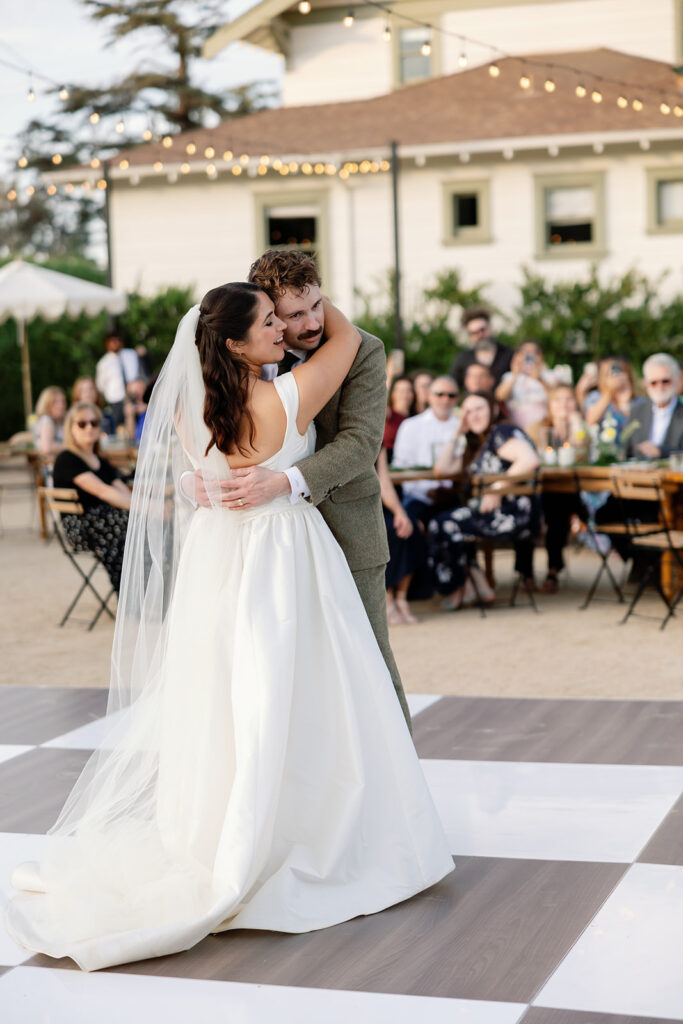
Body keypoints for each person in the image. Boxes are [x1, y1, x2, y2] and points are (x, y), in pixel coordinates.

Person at [6, 283, 453, 972]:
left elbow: (191, 475)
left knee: (227, 691)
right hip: (280, 550)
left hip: (219, 554)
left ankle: (224, 825)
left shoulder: (191, 402)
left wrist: (195, 484)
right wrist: (317, 296)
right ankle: (303, 828)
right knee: (299, 686)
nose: (286, 327)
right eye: (271, 320)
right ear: (236, 344)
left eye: (288, 316)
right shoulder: (285, 395)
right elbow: (350, 340)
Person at [199, 250, 411, 730]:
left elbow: (361, 444)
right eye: (292, 314)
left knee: (369, 664)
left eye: (318, 304)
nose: (312, 321)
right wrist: (198, 479)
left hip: (347, 532)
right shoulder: (235, 363)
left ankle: (400, 793)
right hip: (263, 550)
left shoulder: (363, 350)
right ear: (267, 314)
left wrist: (284, 482)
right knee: (280, 674)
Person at [428, 392, 540, 609]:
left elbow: (529, 459)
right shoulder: (478, 444)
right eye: (468, 411)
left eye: (479, 408)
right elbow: (441, 470)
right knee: (448, 521)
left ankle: (461, 588)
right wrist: (457, 433)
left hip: (513, 512)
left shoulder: (502, 431)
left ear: (494, 410)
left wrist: (496, 490)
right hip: (492, 511)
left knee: (443, 523)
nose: (474, 415)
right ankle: (477, 585)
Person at [51, 402, 131, 593]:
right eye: (82, 424)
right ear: (71, 428)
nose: (89, 428)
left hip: (106, 522)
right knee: (129, 522)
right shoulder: (67, 459)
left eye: (94, 423)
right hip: (80, 528)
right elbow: (103, 491)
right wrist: (147, 508)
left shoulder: (100, 460)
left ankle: (147, 589)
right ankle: (131, 592)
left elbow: (121, 490)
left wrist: (146, 510)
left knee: (144, 524)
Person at [391, 376, 460, 528]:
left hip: (453, 497)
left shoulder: (461, 426)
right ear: (429, 395)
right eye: (440, 394)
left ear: (457, 398)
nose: (445, 399)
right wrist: (426, 490)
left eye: (451, 395)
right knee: (411, 528)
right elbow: (401, 465)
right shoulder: (411, 425)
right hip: (417, 498)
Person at [540, 386, 588, 594]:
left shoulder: (581, 428)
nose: (564, 405)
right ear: (549, 405)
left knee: (558, 510)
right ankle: (552, 568)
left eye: (569, 400)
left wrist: (576, 424)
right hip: (543, 490)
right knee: (556, 509)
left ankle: (553, 570)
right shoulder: (539, 429)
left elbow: (582, 452)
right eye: (557, 400)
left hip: (575, 489)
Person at [377, 447, 425, 625]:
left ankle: (402, 599)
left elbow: (383, 481)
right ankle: (387, 598)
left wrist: (400, 512)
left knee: (410, 526)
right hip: (360, 506)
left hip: (381, 502)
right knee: (390, 531)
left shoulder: (378, 440)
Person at [622, 353, 683, 460]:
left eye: (665, 381)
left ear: (676, 380)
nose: (660, 387)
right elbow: (627, 451)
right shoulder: (637, 412)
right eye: (654, 383)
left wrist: (661, 452)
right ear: (646, 384)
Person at [494, 340, 556, 442]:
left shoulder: (549, 376)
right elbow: (500, 396)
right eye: (524, 352)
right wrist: (515, 374)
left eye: (533, 352)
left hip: (542, 423)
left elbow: (556, 398)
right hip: (515, 423)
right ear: (517, 356)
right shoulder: (509, 377)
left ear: (540, 356)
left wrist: (540, 379)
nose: (528, 356)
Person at [449, 306, 513, 391]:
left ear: (490, 327)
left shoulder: (509, 354)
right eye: (474, 333)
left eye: (482, 330)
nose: (479, 335)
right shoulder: (463, 359)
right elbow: (452, 386)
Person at [95, 331, 143, 429]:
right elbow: (100, 385)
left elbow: (139, 373)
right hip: (116, 400)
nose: (116, 343)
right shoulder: (103, 363)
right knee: (119, 427)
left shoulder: (130, 354)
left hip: (134, 396)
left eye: (118, 340)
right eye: (112, 341)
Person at [582, 357, 635, 438]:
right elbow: (590, 420)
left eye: (620, 372)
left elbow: (635, 427)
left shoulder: (639, 400)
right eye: (612, 374)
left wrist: (625, 401)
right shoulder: (595, 397)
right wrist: (608, 393)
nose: (616, 377)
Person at [383, 375, 415, 460]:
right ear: (393, 394)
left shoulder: (415, 418)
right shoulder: (388, 413)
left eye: (408, 391)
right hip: (388, 460)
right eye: (400, 391)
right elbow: (381, 403)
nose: (405, 395)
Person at [32, 386, 67, 455]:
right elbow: (47, 448)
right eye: (55, 402)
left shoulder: (59, 420)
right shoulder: (47, 421)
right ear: (46, 404)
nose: (61, 405)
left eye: (62, 401)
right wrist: (73, 446)